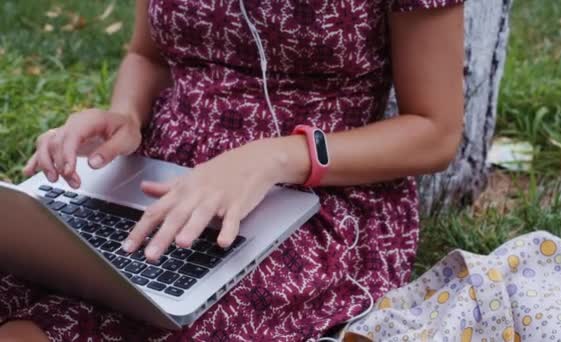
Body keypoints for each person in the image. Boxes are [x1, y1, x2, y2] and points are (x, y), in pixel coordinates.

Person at [0, 0, 464, 340]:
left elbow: (435, 132)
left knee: (170, 320)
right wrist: (125, 116)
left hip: (318, 197)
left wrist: (272, 158)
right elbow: (149, 54)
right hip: (155, 176)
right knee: (33, 269)